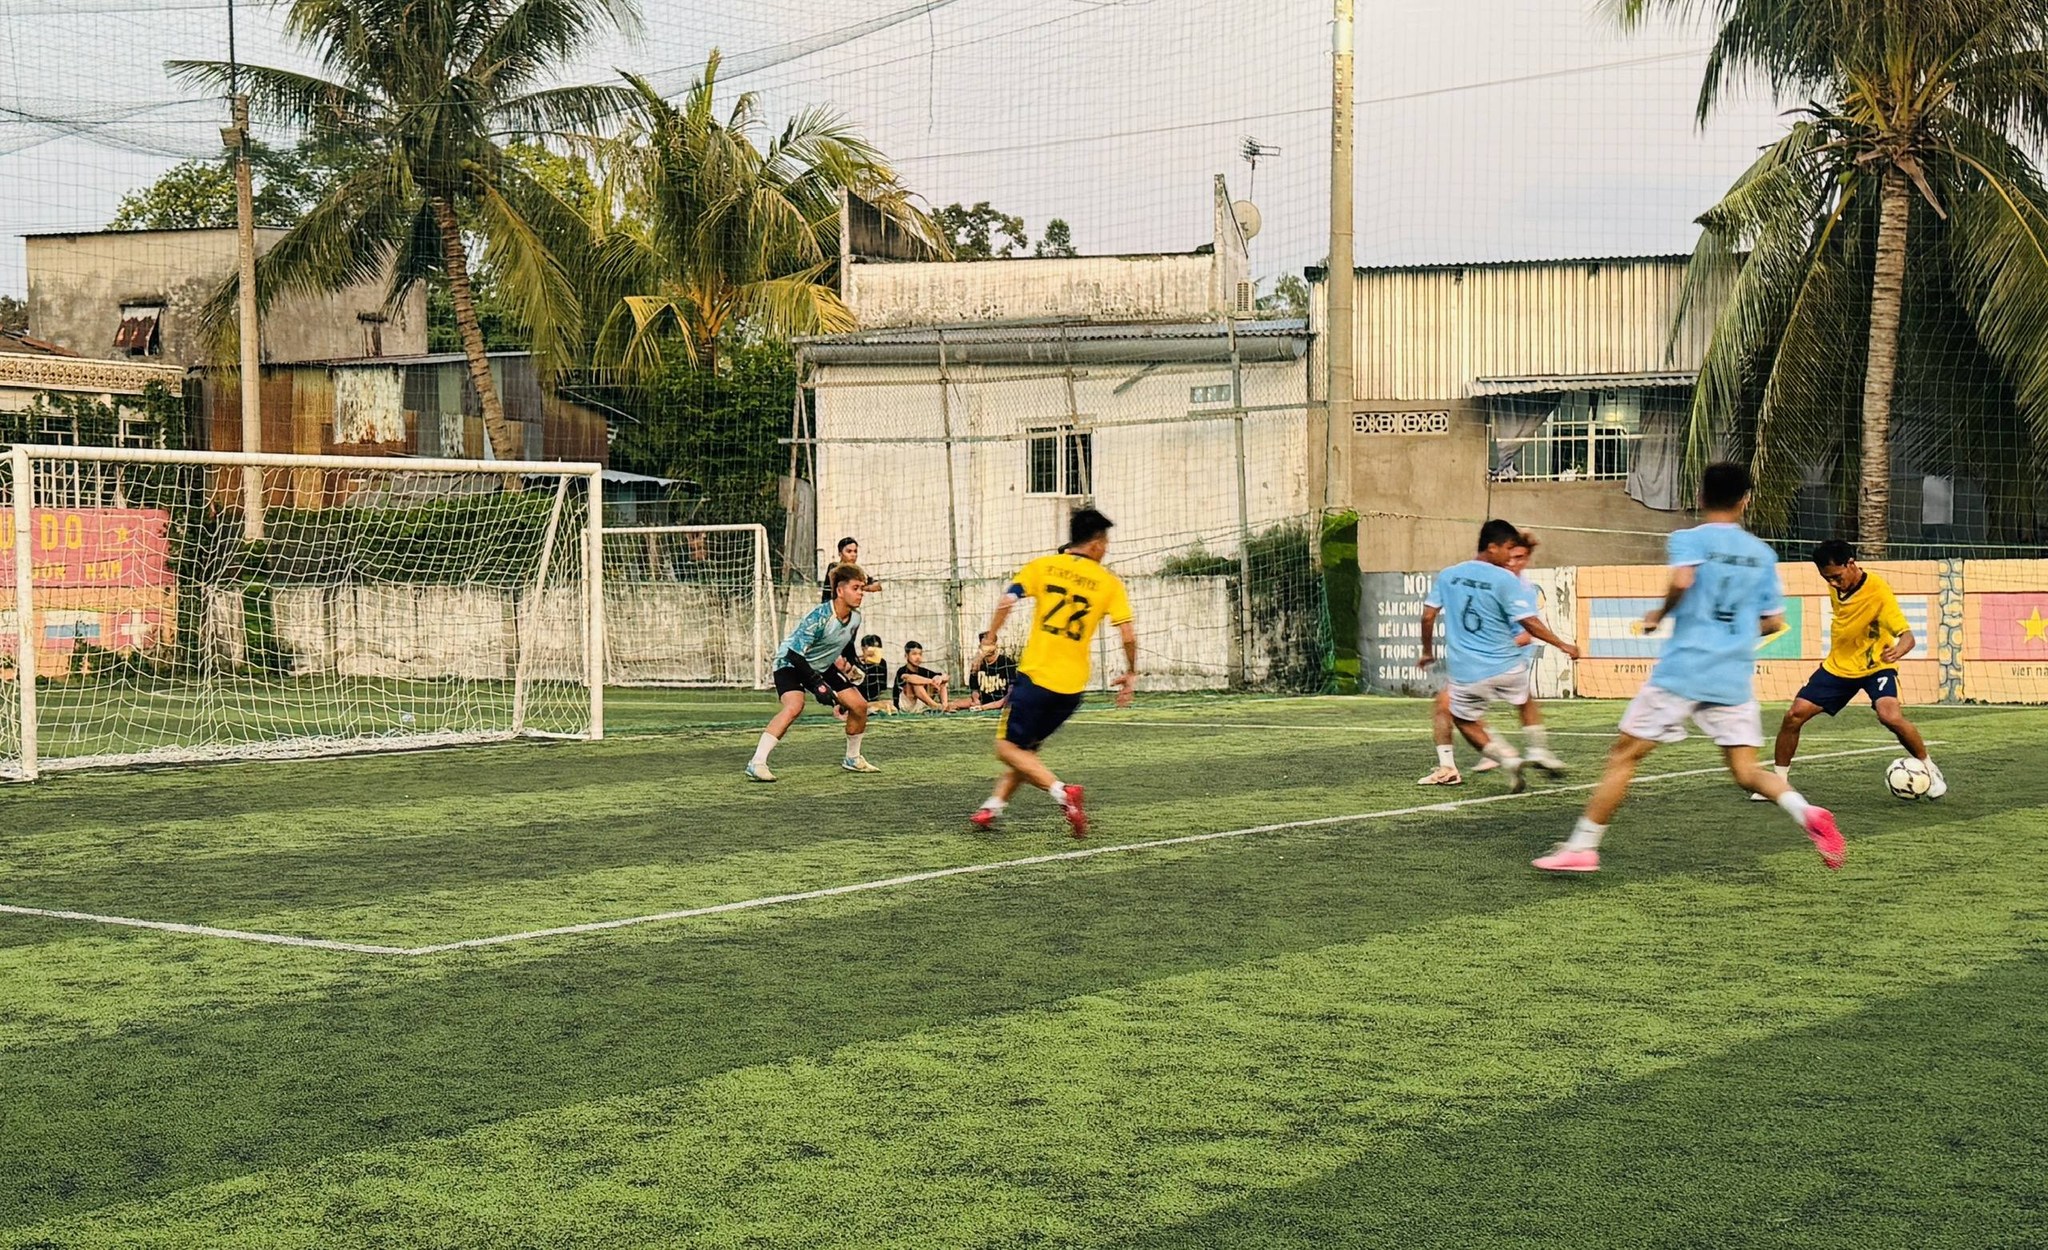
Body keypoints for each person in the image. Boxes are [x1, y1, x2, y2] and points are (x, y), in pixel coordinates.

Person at [1535, 463, 1845, 874]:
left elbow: (1682, 581)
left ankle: (1582, 847)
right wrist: (1734, 633)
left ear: (1700, 497)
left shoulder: (1690, 539)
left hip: (1685, 669)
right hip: (1732, 675)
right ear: (1745, 501)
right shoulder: (1762, 554)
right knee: (1746, 771)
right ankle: (1805, 811)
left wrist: (1659, 614)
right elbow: (1773, 621)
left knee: (1624, 755)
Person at [970, 508, 1137, 837]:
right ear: (1096, 544)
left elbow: (1006, 602)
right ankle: (992, 808)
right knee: (1025, 751)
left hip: (1036, 678)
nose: (1106, 549)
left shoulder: (1043, 566)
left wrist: (989, 639)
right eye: (1106, 542)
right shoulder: (1110, 583)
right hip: (1071, 689)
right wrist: (1131, 673)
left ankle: (1063, 793)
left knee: (1006, 749)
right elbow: (1128, 635)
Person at [1760, 539, 1945, 799]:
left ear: (1851, 563)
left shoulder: (1878, 591)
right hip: (1839, 666)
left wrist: (1898, 651)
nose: (1833, 583)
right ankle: (1778, 784)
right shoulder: (1836, 584)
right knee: (1794, 715)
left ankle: (1930, 769)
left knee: (1889, 716)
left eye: (1836, 577)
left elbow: (1908, 637)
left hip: (1875, 666)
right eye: (1827, 579)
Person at [1419, 520, 1581, 793]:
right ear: (1492, 547)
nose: (1510, 558)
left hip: (1467, 672)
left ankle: (1507, 759)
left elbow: (1427, 616)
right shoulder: (1507, 580)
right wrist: (1563, 644)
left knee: (1462, 719)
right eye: (1508, 550)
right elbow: (1529, 622)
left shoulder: (1448, 575)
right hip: (1507, 665)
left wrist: (1426, 651)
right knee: (1524, 700)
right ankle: (1538, 750)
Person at [747, 563, 880, 781]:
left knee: (859, 706)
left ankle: (852, 758)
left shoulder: (856, 618)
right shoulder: (819, 616)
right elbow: (795, 654)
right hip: (791, 663)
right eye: (855, 588)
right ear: (840, 591)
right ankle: (757, 762)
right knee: (794, 706)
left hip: (821, 666)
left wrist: (853, 664)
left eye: (862, 588)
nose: (861, 593)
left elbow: (846, 643)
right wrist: (818, 685)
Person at [821, 537, 883, 602]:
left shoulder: (857, 571)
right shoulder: (834, 567)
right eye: (849, 551)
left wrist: (861, 587)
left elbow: (877, 585)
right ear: (840, 554)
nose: (853, 555)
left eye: (855, 551)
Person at [894, 642, 951, 712]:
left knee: (941, 682)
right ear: (906, 656)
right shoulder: (902, 670)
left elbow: (946, 676)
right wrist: (931, 681)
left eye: (920, 654)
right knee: (916, 684)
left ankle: (944, 706)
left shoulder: (923, 671)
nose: (918, 657)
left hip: (921, 703)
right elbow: (910, 678)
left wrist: (939, 678)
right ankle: (935, 706)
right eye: (914, 654)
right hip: (906, 706)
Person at [967, 641, 1020, 710]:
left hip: (1003, 700)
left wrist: (985, 707)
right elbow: (974, 689)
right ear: (980, 646)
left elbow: (1012, 689)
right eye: (985, 644)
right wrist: (976, 700)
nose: (987, 647)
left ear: (996, 646)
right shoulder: (977, 664)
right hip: (984, 700)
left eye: (990, 644)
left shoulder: (1006, 662)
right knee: (957, 703)